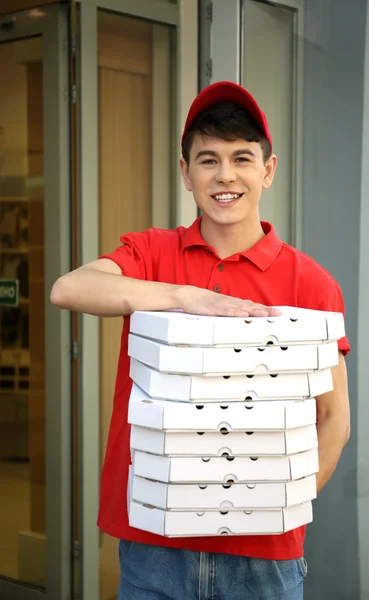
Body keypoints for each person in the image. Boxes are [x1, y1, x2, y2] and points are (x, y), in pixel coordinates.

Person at [50, 81, 351, 600]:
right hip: (154, 547)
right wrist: (182, 297)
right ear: (186, 173)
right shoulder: (150, 253)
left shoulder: (311, 283)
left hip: (264, 559)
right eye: (208, 159)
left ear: (269, 169)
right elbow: (68, 288)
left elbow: (334, 420)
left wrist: (276, 506)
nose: (226, 175)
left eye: (242, 158)